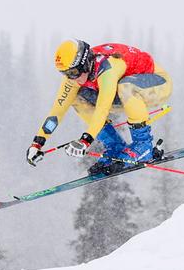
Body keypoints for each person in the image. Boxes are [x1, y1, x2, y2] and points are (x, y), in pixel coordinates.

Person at [26, 39, 172, 175]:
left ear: (84, 64)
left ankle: (143, 145)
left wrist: (85, 141)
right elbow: (57, 112)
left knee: (125, 86)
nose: (71, 78)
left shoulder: (107, 68)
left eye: (73, 72)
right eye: (66, 74)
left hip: (157, 85)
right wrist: (37, 143)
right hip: (125, 95)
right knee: (76, 98)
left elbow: (102, 109)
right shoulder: (73, 78)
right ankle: (115, 146)